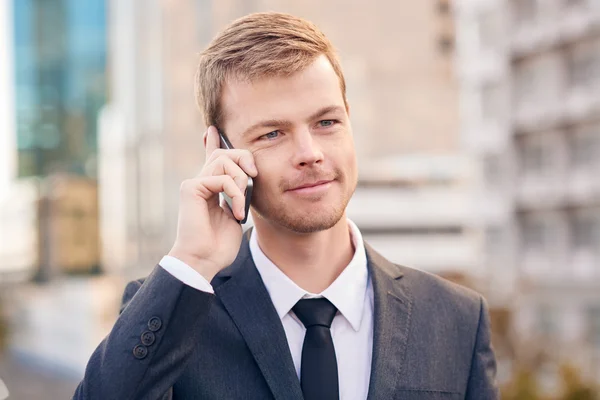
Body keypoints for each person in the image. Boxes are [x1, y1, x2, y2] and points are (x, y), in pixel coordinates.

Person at [73, 12, 498, 400]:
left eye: (326, 122)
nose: (309, 152)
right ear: (219, 149)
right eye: (272, 133)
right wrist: (194, 259)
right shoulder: (177, 312)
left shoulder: (456, 318)